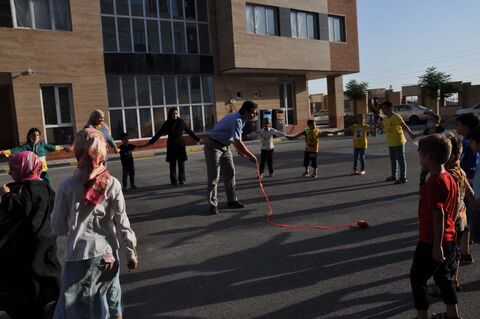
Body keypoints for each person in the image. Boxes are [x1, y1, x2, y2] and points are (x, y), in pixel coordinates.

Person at [50, 128, 138, 319]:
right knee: (110, 298)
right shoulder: (112, 182)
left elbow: (58, 227)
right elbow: (122, 221)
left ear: (78, 152)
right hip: (108, 253)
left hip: (79, 255)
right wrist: (130, 250)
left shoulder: (67, 186)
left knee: (75, 306)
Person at [0, 151, 61, 319]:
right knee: (46, 279)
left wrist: (6, 197)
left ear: (24, 168)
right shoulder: (46, 188)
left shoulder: (20, 190)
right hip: (46, 241)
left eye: (13, 168)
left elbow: (18, 210)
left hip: (24, 244)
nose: (10, 172)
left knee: (25, 285)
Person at [410, 134, 461, 319]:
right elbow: (453, 208)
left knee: (417, 279)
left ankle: (421, 315)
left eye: (420, 155)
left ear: (428, 157)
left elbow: (438, 214)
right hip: (449, 237)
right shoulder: (448, 177)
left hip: (431, 241)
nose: (419, 158)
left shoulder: (435, 182)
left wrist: (437, 245)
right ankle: (452, 314)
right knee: (443, 277)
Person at [204, 101, 258, 215]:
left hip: (225, 146)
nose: (254, 115)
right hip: (213, 146)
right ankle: (212, 205)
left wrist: (238, 150)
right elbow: (238, 141)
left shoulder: (241, 119)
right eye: (253, 113)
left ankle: (232, 200)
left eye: (255, 112)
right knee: (214, 176)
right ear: (246, 111)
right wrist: (251, 155)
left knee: (230, 173)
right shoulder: (237, 120)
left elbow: (233, 138)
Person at [146, 108, 202, 185]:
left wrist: (197, 139)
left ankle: (181, 179)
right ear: (170, 114)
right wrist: (151, 142)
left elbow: (189, 131)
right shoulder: (167, 123)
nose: (175, 115)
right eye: (173, 113)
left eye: (176, 113)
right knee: (172, 164)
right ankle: (174, 180)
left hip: (180, 145)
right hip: (171, 145)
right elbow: (159, 133)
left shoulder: (181, 122)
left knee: (181, 164)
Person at [0, 127, 69, 185]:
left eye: (37, 135)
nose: (36, 137)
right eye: (34, 135)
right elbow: (16, 149)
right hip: (31, 171)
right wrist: (5, 151)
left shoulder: (42, 145)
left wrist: (63, 148)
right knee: (32, 186)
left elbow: (53, 147)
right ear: (30, 136)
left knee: (47, 185)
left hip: (42, 170)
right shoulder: (26, 146)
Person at [455, 113, 479, 262]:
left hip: (468, 183)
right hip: (465, 182)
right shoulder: (466, 141)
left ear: (466, 127)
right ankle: (464, 249)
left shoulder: (471, 143)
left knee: (465, 217)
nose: (457, 127)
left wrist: (469, 178)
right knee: (465, 217)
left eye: (459, 125)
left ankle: (464, 253)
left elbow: (471, 165)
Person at [376, 100, 416, 184]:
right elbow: (382, 127)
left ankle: (403, 177)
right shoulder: (385, 118)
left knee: (401, 160)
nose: (383, 110)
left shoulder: (396, 117)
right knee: (393, 160)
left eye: (385, 108)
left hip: (399, 141)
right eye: (382, 108)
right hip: (391, 142)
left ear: (391, 108)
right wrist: (379, 121)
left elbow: (404, 126)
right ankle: (394, 176)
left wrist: (411, 134)